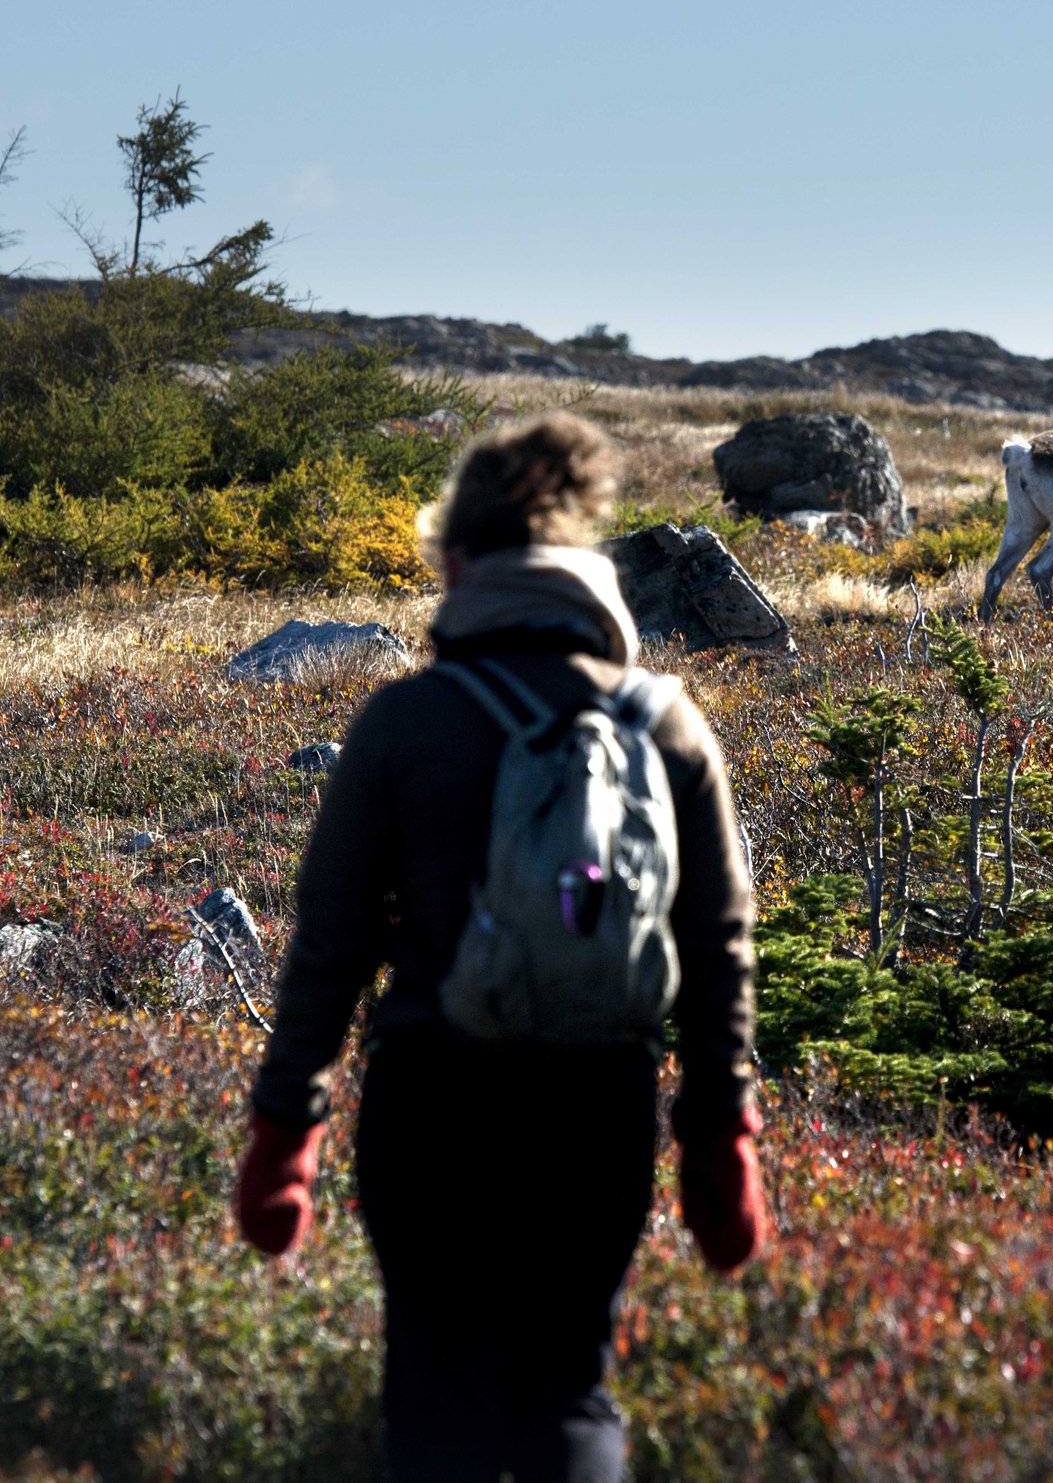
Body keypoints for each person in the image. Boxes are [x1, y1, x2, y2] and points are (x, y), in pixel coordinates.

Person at [231, 411, 765, 1483]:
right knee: (570, 1386)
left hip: (433, 1097)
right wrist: (721, 1136)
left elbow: (329, 946)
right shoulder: (665, 724)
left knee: (437, 1394)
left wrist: (286, 1124)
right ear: (582, 565)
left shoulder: (405, 721)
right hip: (597, 1100)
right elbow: (716, 948)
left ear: (460, 560)